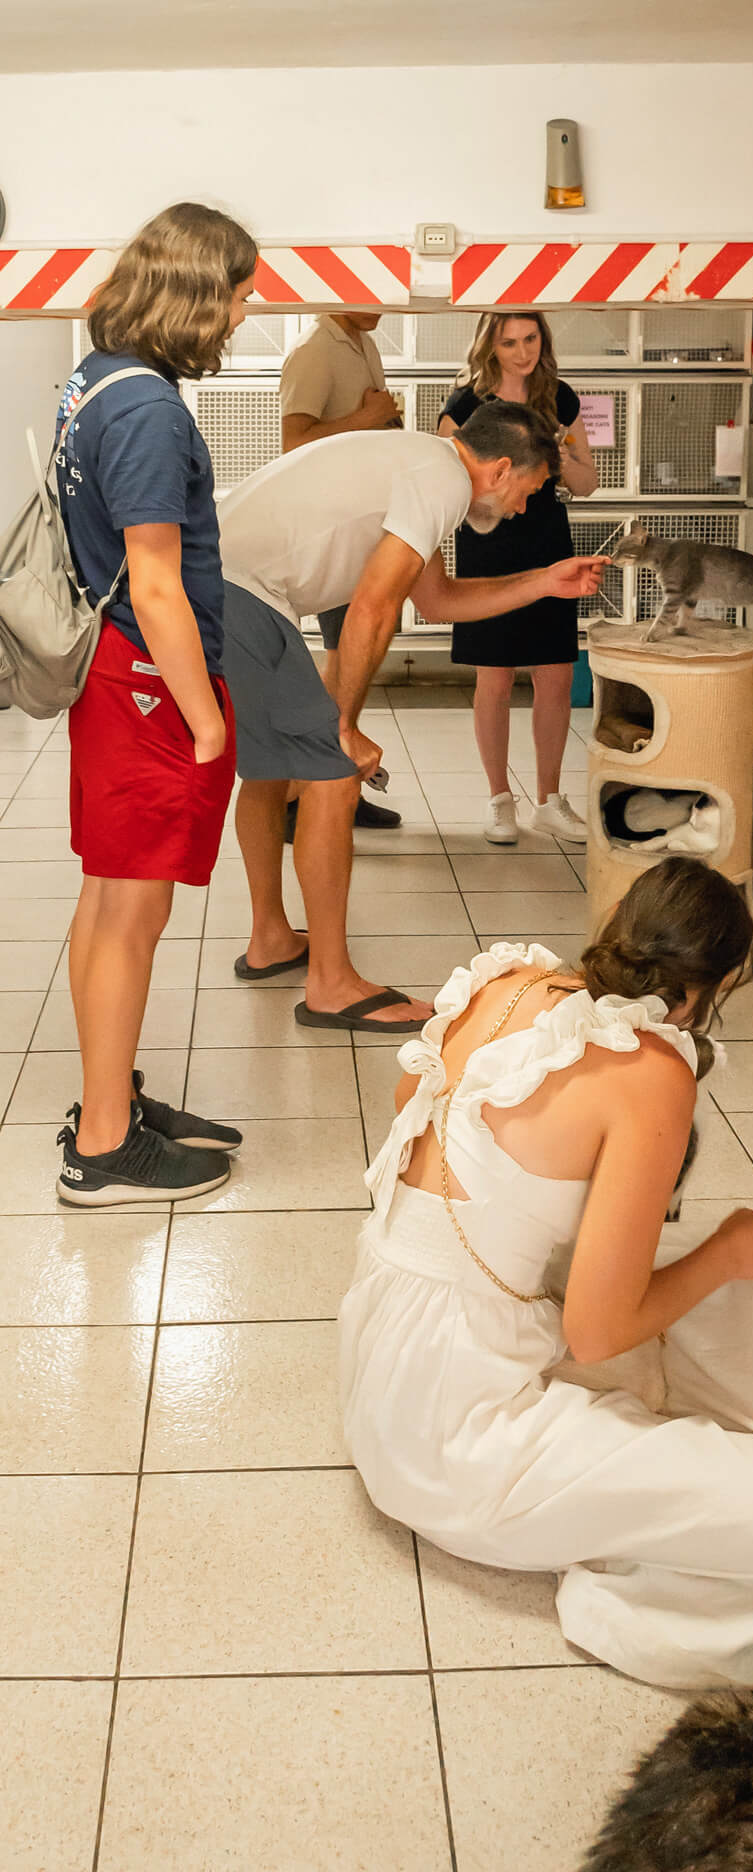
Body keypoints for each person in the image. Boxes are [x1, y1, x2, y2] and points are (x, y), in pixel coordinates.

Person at [339, 857, 753, 1689]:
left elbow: (403, 1109)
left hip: (387, 1360)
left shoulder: (507, 980)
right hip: (458, 1444)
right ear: (721, 981)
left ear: (618, 917)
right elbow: (595, 1333)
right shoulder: (650, 1073)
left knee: (750, 1283)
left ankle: (692, 1443)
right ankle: (663, 1537)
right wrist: (723, 1253)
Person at [216, 401, 607, 1033]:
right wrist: (341, 727)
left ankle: (271, 938)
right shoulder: (443, 479)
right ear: (502, 470)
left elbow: (436, 599)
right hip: (241, 592)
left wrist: (544, 580)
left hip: (224, 581)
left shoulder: (423, 465)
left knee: (272, 770)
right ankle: (332, 986)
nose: (523, 509)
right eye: (529, 493)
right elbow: (373, 606)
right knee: (331, 774)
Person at [55, 201, 258, 1207]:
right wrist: (207, 718)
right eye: (236, 296)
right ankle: (102, 1144)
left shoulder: (96, 383)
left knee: (108, 899)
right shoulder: (147, 412)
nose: (242, 317)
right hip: (146, 683)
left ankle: (108, 1097)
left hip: (114, 678)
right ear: (192, 295)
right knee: (133, 910)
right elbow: (156, 579)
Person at [437, 312, 599, 846]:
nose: (522, 351)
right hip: (488, 542)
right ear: (491, 345)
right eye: (509, 341)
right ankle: (499, 801)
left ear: (543, 341)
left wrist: (557, 454)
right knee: (496, 676)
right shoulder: (464, 403)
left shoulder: (562, 398)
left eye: (530, 339)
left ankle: (550, 801)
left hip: (547, 536)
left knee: (555, 672)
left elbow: (589, 482)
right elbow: (448, 478)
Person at [278, 309, 402, 833]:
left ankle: (338, 785)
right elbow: (293, 444)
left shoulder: (361, 340)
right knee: (339, 664)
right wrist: (368, 420)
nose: (383, 307)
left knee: (352, 663)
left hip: (361, 525)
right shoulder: (314, 350)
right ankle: (299, 798)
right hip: (331, 529)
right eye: (371, 295)